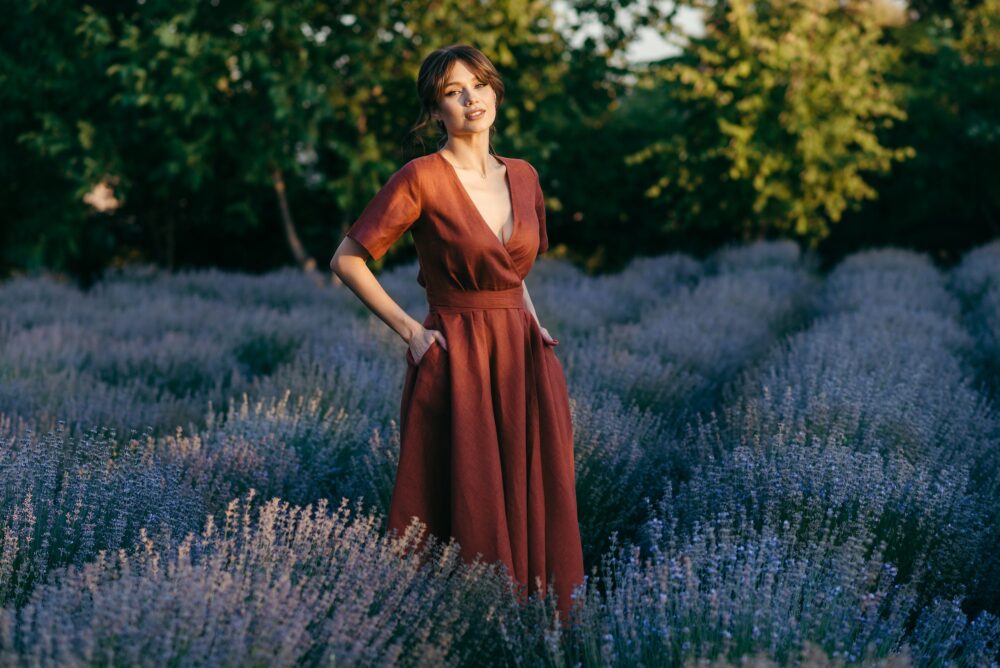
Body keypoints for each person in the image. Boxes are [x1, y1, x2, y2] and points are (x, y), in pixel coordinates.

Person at [330, 44, 585, 626]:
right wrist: (410, 333)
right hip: (458, 356)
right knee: (466, 498)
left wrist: (533, 319)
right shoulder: (421, 178)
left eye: (480, 84)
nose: (472, 98)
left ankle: (536, 630)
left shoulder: (524, 175)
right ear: (435, 109)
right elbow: (346, 260)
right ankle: (465, 630)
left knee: (535, 492)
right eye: (454, 91)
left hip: (524, 356)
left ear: (495, 91)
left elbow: (510, 272)